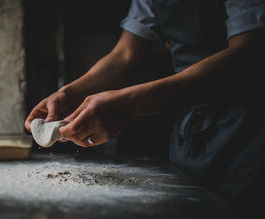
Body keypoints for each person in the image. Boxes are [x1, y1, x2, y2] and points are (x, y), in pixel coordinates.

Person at [25, 0, 265, 202]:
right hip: (193, 129)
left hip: (250, 128)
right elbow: (126, 54)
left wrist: (130, 103)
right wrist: (68, 93)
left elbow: (249, 53)